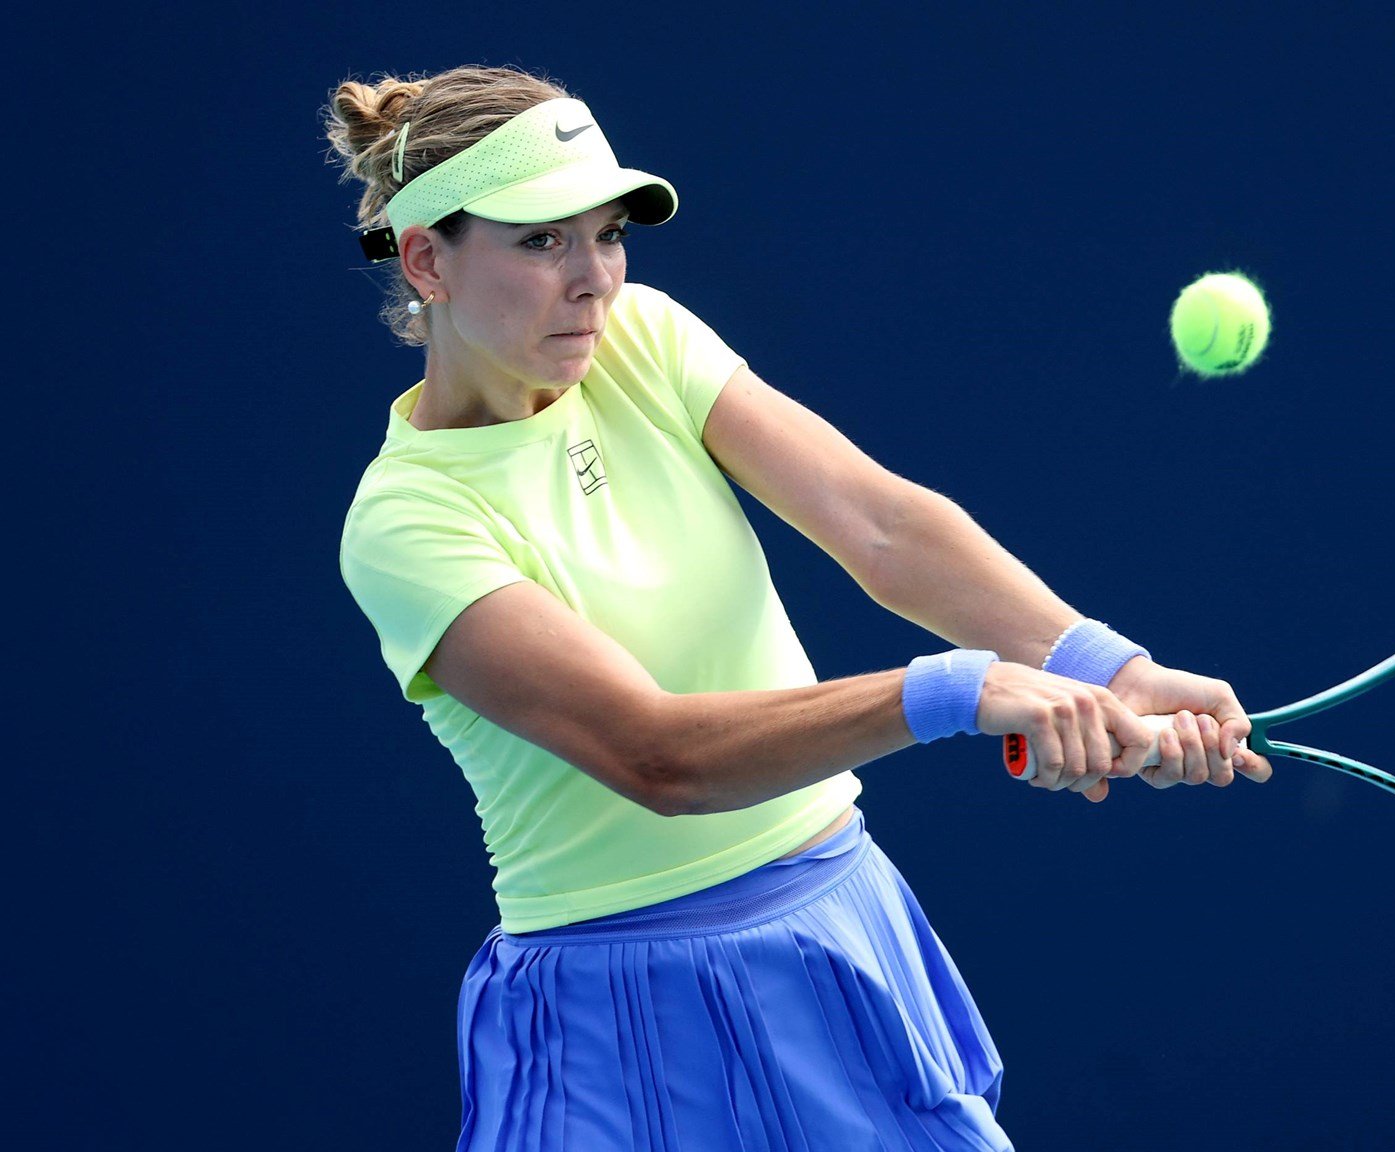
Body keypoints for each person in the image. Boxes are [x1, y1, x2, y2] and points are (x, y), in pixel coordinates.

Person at [327, 64, 1273, 1151]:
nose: (593, 280)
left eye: (607, 235)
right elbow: (655, 758)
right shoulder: (407, 522)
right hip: (616, 1016)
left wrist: (1104, 665)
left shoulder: (643, 339)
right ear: (425, 260)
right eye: (542, 241)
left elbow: (878, 524)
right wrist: (953, 689)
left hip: (832, 926)